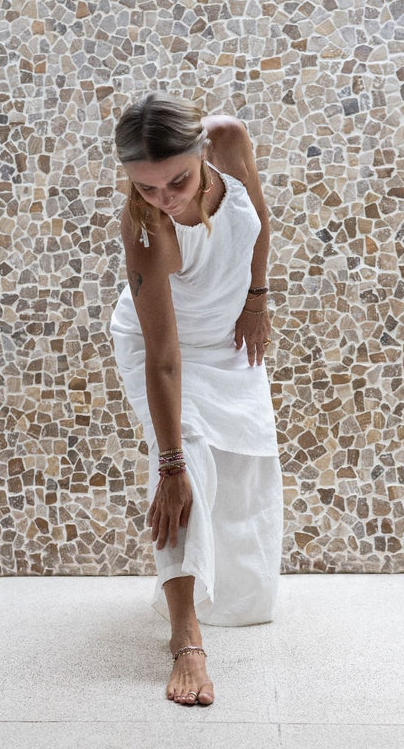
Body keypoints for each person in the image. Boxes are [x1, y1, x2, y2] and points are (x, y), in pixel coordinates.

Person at [109, 90, 284, 707]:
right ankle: (186, 635)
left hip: (228, 337)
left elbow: (258, 219)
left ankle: (227, 594)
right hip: (164, 347)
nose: (164, 198)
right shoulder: (145, 226)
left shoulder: (229, 138)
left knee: (249, 467)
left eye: (175, 181)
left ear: (202, 149)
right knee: (192, 464)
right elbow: (162, 357)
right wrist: (171, 464)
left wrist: (257, 299)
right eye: (146, 188)